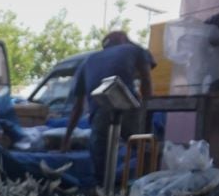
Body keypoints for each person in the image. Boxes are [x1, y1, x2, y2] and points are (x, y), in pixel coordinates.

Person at [60, 31, 154, 186]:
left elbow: (77, 108)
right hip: (127, 108)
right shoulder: (134, 49)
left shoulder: (88, 60)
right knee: (145, 147)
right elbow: (147, 79)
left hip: (99, 114)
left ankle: (101, 192)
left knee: (100, 172)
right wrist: (147, 110)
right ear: (124, 40)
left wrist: (66, 143)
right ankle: (146, 185)